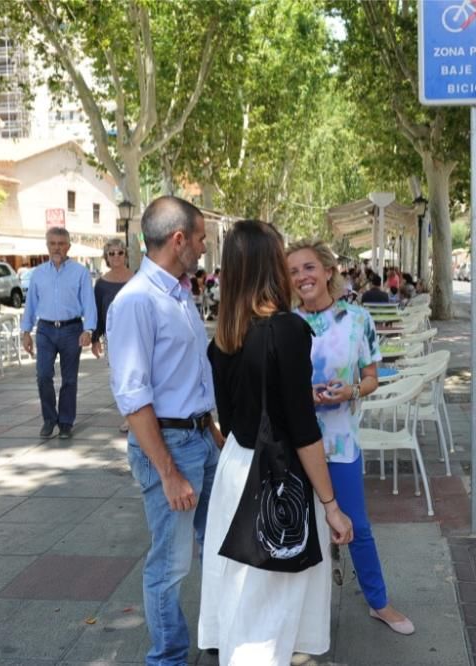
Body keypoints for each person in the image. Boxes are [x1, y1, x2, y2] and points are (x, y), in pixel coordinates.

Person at [199, 220, 353, 664]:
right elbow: (304, 431)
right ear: (272, 266)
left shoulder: (225, 336)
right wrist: (330, 504)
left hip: (236, 469)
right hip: (277, 474)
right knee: (270, 605)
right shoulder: (285, 330)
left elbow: (229, 422)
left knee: (243, 598)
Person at [106, 197, 222, 665]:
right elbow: (134, 399)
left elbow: (187, 372)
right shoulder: (136, 301)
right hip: (170, 446)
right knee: (170, 565)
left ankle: (216, 630)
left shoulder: (178, 291)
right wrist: (168, 471)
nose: (202, 247)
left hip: (199, 437)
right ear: (179, 240)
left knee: (218, 544)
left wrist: (211, 428)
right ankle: (169, 657)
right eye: (199, 239)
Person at [287, 239, 416, 636]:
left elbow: (372, 377)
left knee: (356, 525)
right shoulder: (285, 323)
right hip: (295, 445)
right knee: (297, 529)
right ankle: (297, 615)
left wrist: (353, 391)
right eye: (293, 272)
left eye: (308, 267)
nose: (301, 277)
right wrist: (302, 395)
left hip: (341, 443)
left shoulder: (358, 319)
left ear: (328, 271)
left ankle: (379, 602)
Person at [20, 227, 97, 440]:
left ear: (68, 246)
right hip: (44, 330)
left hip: (72, 329)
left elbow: (89, 303)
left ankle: (65, 422)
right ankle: (48, 419)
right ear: (47, 246)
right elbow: (31, 305)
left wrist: (88, 330)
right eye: (53, 243)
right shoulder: (38, 274)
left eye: (61, 244)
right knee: (43, 375)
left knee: (69, 379)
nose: (57, 248)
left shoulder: (80, 272)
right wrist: (25, 332)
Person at [91, 237, 134, 433]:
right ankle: (128, 416)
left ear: (125, 255)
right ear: (106, 257)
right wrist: (95, 338)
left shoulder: (138, 278)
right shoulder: (101, 284)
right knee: (119, 376)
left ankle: (141, 415)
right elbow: (98, 313)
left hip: (137, 334)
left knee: (139, 375)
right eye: (112, 253)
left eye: (120, 252)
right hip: (113, 337)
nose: (116, 256)